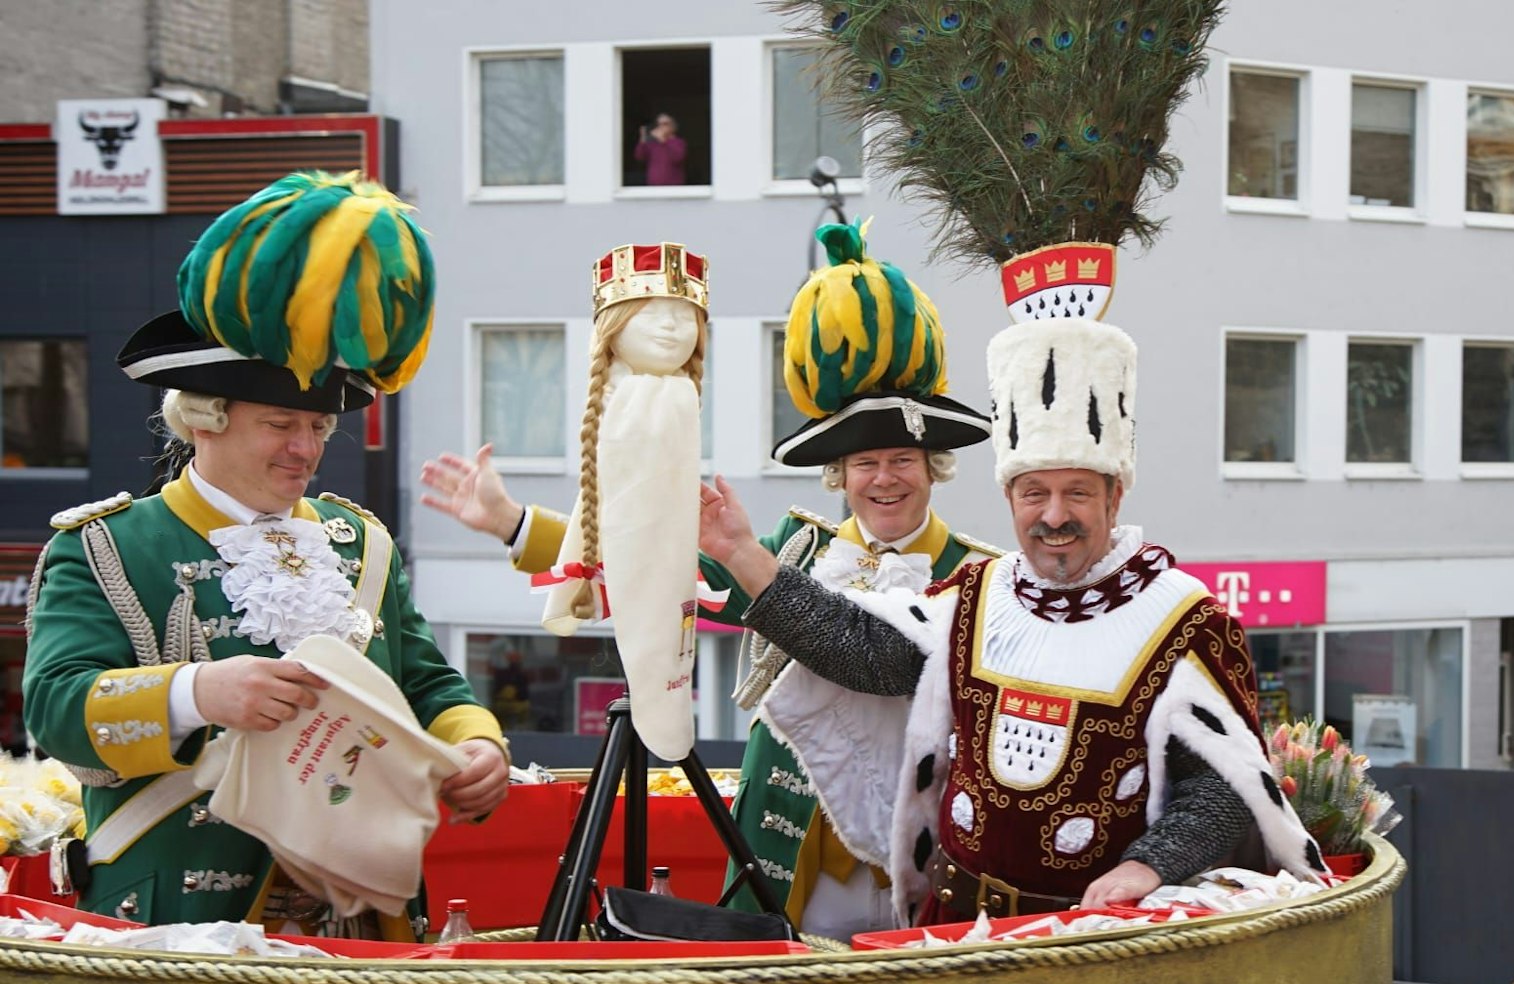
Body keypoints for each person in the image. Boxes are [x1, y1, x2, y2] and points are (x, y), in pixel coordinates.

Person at [697, 257, 1329, 924]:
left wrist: (1150, 863)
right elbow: (863, 650)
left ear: (1116, 493)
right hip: (954, 932)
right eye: (1035, 492)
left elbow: (1222, 788)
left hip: (1091, 945)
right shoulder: (976, 594)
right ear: (1009, 496)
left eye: (1077, 492)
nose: (1054, 515)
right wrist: (742, 553)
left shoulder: (1184, 619)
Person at [421, 222, 995, 940]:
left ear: (931, 465)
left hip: (923, 861)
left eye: (902, 459)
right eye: (864, 462)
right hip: (795, 857)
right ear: (839, 474)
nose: (883, 478)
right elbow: (646, 556)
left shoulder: (979, 576)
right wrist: (511, 521)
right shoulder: (791, 545)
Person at [22, 172, 508, 934]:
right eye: (282, 423)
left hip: (359, 921)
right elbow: (53, 707)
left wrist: (474, 742)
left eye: (318, 428)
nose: (306, 448)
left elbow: (426, 682)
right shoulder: (105, 546)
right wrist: (198, 692)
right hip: (179, 924)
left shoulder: (361, 542)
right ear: (205, 418)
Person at [633, 113, 687, 187]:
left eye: (664, 124)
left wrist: (663, 140)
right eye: (658, 124)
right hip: (653, 188)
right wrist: (642, 139)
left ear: (672, 126)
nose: (660, 126)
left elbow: (677, 158)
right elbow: (639, 157)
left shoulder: (678, 142)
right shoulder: (652, 144)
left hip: (673, 188)